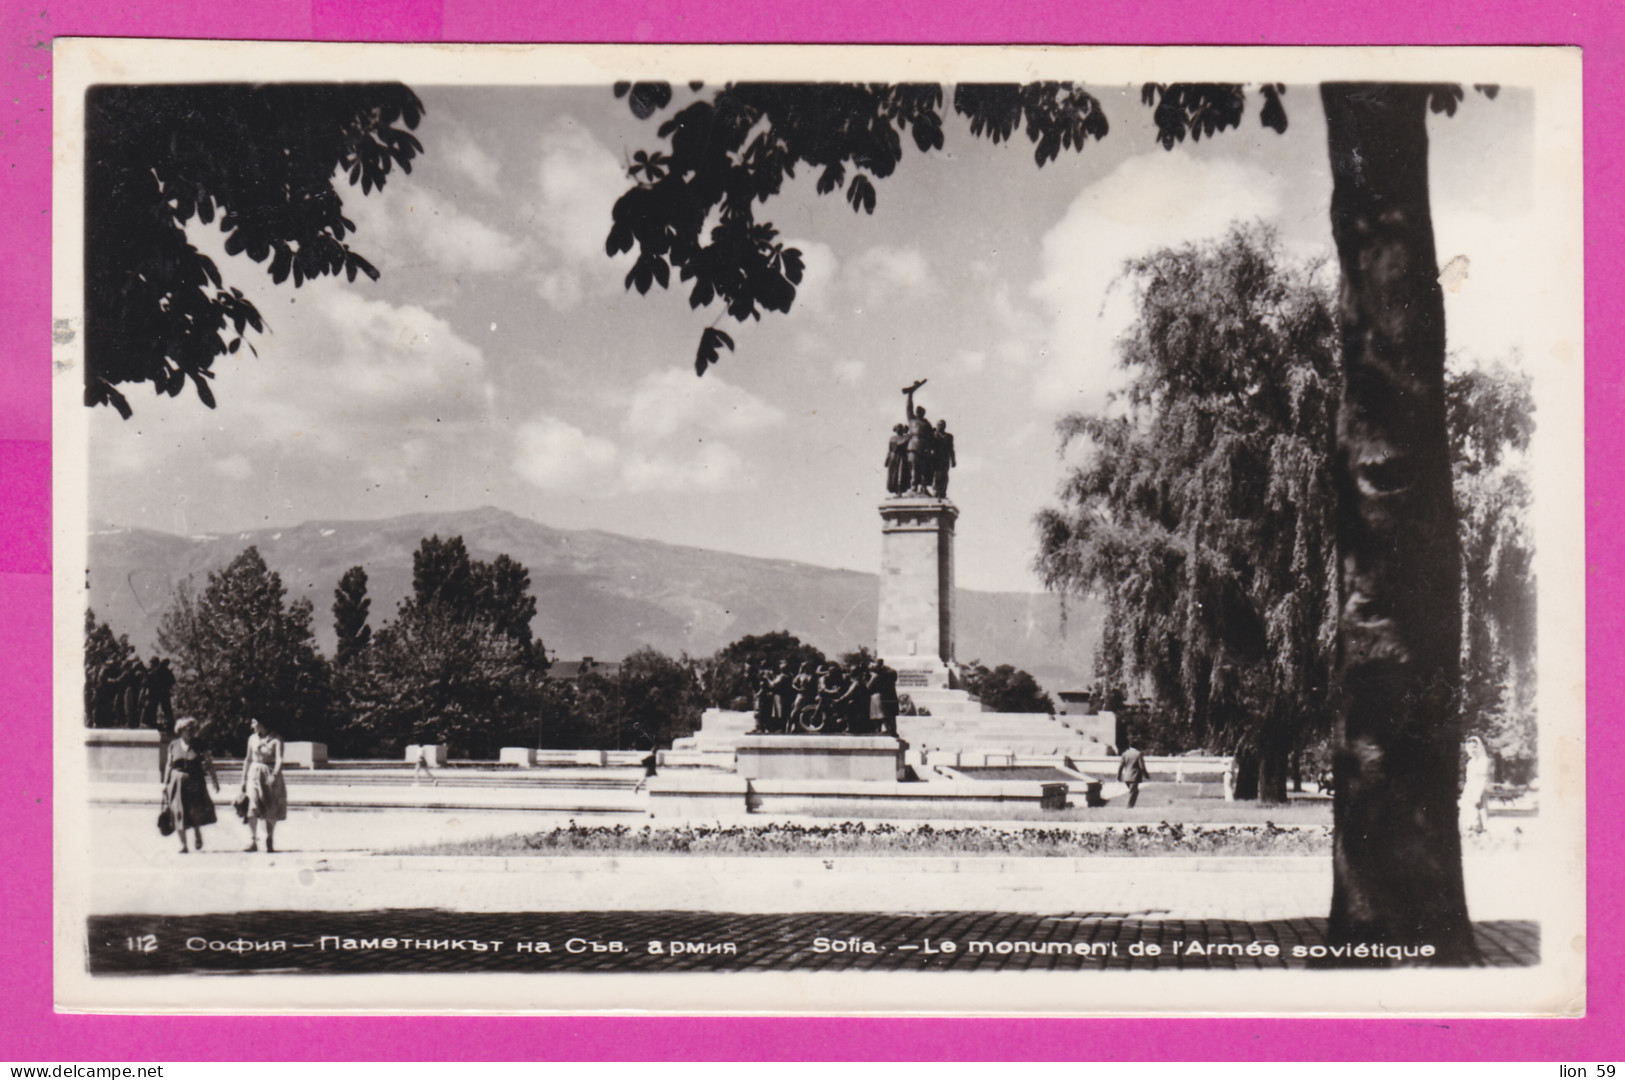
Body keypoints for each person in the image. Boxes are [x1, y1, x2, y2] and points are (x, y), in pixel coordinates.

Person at [161, 717, 219, 854]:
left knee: (195, 811)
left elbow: (209, 763)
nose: (192, 732)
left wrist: (215, 781)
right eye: (189, 729)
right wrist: (165, 784)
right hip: (177, 781)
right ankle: (183, 845)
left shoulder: (199, 744)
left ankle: (197, 832)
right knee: (178, 811)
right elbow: (169, 765)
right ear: (180, 731)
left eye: (193, 729)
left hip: (195, 781)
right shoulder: (173, 745)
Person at [241, 718, 287, 853]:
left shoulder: (276, 739)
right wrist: (243, 780)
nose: (252, 726)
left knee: (270, 808)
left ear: (263, 722)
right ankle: (253, 840)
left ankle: (269, 838)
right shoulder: (252, 739)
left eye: (254, 722)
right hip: (254, 774)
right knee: (252, 806)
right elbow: (248, 759)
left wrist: (274, 774)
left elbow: (279, 759)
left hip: (269, 774)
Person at [1460, 736, 1493, 835]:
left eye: (1475, 747)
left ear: (1479, 747)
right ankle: (1472, 832)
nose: (1472, 750)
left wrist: (1478, 794)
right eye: (1470, 747)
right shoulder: (1470, 762)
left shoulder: (1484, 760)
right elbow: (1469, 778)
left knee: (1480, 811)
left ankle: (1483, 832)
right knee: (1469, 811)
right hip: (1470, 788)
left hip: (1480, 788)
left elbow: (1484, 778)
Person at [143, 656, 176, 733]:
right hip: (164, 692)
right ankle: (169, 724)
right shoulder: (166, 671)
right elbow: (172, 681)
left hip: (154, 693)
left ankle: (151, 722)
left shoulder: (152, 671)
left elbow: (146, 683)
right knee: (167, 709)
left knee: (152, 708)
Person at [868, 660, 900, 737]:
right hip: (892, 698)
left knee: (885, 718)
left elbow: (869, 687)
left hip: (884, 699)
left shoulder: (878, 676)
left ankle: (890, 733)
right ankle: (892, 732)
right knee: (891, 719)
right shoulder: (891, 674)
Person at [1118, 739, 1150, 808]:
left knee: (1134, 791)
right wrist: (1146, 775)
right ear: (1137, 745)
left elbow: (1120, 766)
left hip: (1126, 777)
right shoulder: (1138, 754)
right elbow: (1142, 767)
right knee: (1133, 792)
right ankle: (1129, 807)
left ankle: (1130, 806)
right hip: (1134, 777)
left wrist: (1118, 777)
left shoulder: (1125, 753)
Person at [788, 661, 817, 732]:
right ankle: (789, 727)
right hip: (801, 695)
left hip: (810, 695)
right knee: (795, 711)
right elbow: (793, 684)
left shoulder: (813, 675)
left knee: (807, 712)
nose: (808, 668)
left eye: (809, 666)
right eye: (806, 667)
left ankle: (801, 728)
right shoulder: (800, 675)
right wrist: (798, 689)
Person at [932, 419, 957, 498]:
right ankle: (936, 491)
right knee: (936, 475)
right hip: (935, 458)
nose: (940, 427)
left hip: (945, 458)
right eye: (938, 425)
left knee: (944, 475)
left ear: (944, 426)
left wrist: (953, 460)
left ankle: (942, 492)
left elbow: (951, 449)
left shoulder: (949, 437)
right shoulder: (933, 435)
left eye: (942, 425)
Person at [885, 424, 911, 495]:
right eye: (897, 428)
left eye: (900, 428)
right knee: (893, 474)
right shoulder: (892, 438)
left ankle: (900, 490)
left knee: (901, 474)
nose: (899, 430)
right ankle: (896, 490)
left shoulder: (906, 437)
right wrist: (887, 459)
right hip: (893, 457)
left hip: (902, 456)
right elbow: (890, 450)